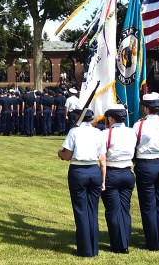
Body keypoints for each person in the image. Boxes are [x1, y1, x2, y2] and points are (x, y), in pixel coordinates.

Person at [58, 109, 106, 257]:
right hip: (94, 170)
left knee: (81, 210)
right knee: (93, 210)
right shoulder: (98, 133)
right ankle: (93, 247)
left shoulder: (74, 131)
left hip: (79, 170)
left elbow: (67, 155)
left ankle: (85, 249)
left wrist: (59, 153)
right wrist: (103, 179)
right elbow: (102, 159)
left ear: (80, 117)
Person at [132, 93, 159, 251]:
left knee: (148, 205)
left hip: (146, 163)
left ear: (145, 108)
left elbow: (134, 145)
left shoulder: (138, 125)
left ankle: (152, 241)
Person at [102, 105, 135, 254]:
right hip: (127, 172)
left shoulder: (105, 134)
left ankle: (119, 244)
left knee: (113, 210)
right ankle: (125, 240)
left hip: (112, 172)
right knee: (124, 209)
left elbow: (102, 156)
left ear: (111, 118)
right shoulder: (132, 132)